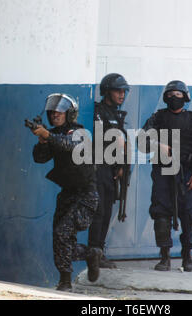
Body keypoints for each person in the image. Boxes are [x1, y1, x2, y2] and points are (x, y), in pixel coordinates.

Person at [140, 80, 192, 272]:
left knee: (189, 215)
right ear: (165, 97)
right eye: (171, 94)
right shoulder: (157, 118)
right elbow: (141, 141)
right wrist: (157, 145)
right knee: (161, 213)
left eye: (178, 94)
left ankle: (187, 255)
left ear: (185, 97)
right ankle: (165, 257)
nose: (174, 98)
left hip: (187, 173)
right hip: (163, 172)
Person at [31, 93, 101, 291]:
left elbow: (70, 145)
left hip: (86, 195)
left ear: (69, 113)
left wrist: (48, 136)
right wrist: (42, 141)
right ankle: (90, 254)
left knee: (63, 234)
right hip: (67, 194)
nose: (55, 115)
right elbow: (39, 158)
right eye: (52, 112)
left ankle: (65, 281)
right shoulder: (53, 135)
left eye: (60, 112)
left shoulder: (80, 132)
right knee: (60, 238)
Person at [88, 73, 130, 269]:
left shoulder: (117, 114)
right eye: (117, 91)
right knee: (98, 212)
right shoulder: (97, 111)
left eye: (123, 91)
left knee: (106, 213)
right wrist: (115, 139)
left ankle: (99, 252)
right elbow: (95, 137)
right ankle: (93, 253)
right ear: (107, 91)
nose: (121, 95)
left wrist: (121, 166)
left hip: (111, 170)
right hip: (97, 168)